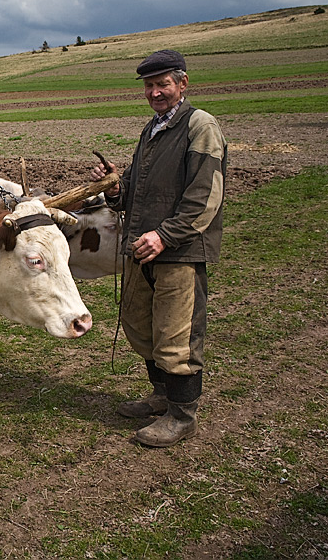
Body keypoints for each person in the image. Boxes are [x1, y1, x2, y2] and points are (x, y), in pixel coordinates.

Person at [91, 49, 227, 447]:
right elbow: (134, 191)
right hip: (142, 248)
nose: (155, 92)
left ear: (182, 84)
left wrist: (165, 235)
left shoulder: (200, 126)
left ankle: (182, 416)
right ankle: (162, 395)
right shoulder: (152, 130)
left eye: (162, 84)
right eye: (149, 86)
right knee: (140, 325)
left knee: (176, 334)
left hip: (178, 251)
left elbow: (204, 196)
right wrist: (115, 186)